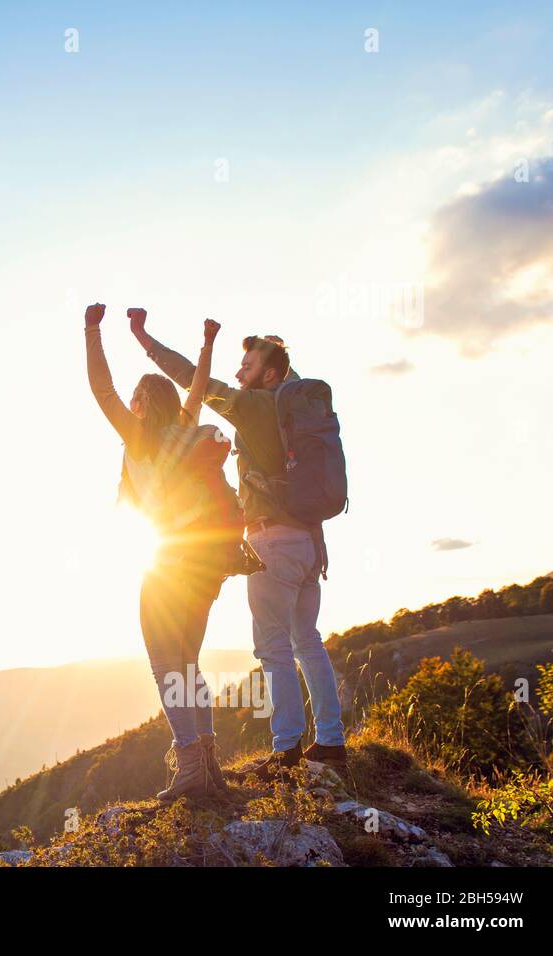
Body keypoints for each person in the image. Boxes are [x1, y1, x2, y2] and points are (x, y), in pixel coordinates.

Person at [129, 307, 347, 778]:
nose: (237, 373)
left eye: (246, 367)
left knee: (272, 647)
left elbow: (192, 379)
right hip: (310, 543)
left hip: (273, 541)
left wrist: (144, 339)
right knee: (307, 640)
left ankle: (286, 748)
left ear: (269, 373)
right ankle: (330, 741)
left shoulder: (255, 406)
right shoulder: (298, 417)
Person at [83, 303, 243, 800]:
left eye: (132, 399)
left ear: (139, 405)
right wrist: (208, 345)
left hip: (167, 567)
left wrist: (91, 330)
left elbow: (100, 388)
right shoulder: (188, 427)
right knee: (190, 664)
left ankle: (191, 763)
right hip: (208, 567)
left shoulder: (140, 437)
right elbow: (197, 387)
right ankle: (209, 762)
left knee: (165, 665)